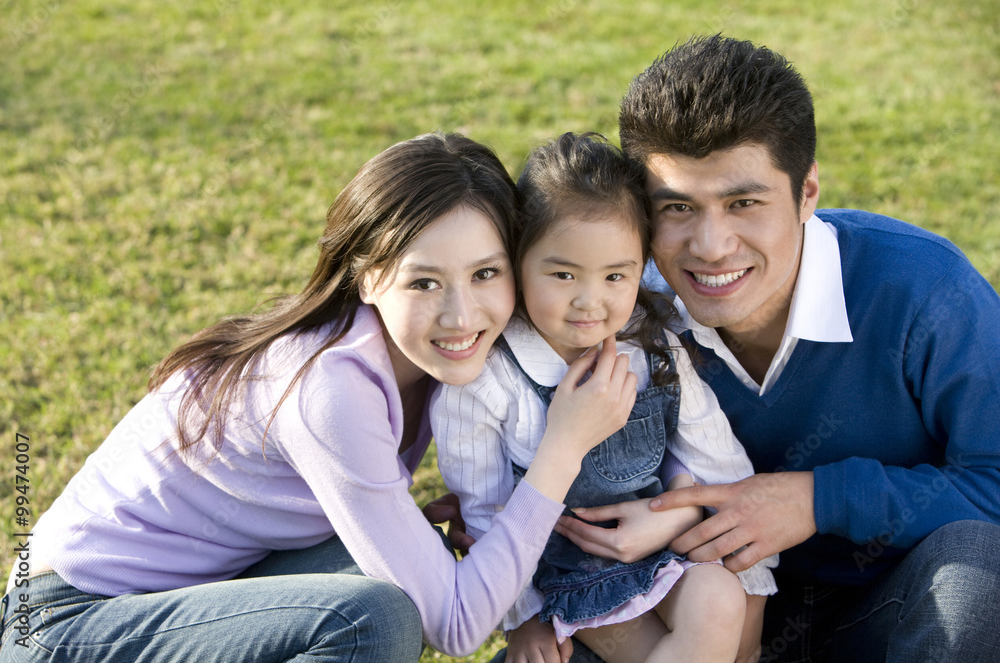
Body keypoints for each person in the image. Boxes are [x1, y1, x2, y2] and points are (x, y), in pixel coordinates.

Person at [0, 132, 641, 662]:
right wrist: (562, 453)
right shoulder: (328, 387)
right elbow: (456, 627)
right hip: (64, 624)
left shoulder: (420, 356)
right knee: (376, 619)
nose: (462, 314)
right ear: (367, 279)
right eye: (423, 282)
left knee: (414, 557)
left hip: (189, 594)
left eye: (485, 273)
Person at [554, 35, 1000, 662]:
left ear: (807, 193)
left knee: (977, 575)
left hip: (891, 618)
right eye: (678, 207)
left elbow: (995, 482)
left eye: (744, 203)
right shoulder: (618, 309)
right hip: (694, 616)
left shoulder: (926, 290)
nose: (709, 246)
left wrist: (819, 499)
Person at [433, 132, 777, 663]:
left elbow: (714, 452)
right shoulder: (489, 381)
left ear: (643, 268)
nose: (589, 301)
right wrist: (519, 618)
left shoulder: (652, 345)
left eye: (616, 275)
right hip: (569, 576)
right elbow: (485, 512)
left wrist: (750, 569)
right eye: (563, 273)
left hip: (663, 550)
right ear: (518, 260)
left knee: (722, 595)